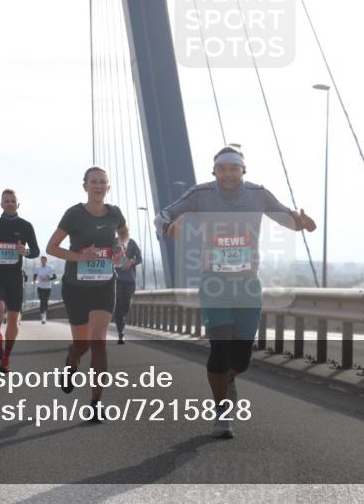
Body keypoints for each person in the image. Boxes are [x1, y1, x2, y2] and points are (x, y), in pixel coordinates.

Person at [156, 147, 316, 438]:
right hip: (214, 282)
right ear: (214, 171)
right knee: (219, 350)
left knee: (241, 358)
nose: (228, 173)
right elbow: (164, 214)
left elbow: (287, 219)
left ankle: (228, 378)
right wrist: (168, 226)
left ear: (244, 170)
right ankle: (222, 413)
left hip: (247, 283)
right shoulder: (200, 194)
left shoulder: (258, 194)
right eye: (222, 168)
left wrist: (301, 223)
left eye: (234, 168)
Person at [47, 167, 127, 422]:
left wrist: (121, 246)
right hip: (76, 287)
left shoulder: (114, 213)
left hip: (104, 285)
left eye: (103, 182)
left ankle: (95, 403)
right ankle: (72, 359)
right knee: (82, 344)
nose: (98, 185)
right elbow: (52, 247)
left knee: (99, 341)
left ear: (108, 186)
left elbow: (123, 232)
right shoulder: (74, 214)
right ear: (85, 186)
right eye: (94, 182)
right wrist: (79, 256)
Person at [0, 189, 39, 373]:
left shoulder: (26, 226)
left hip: (15, 277)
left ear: (18, 204)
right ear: (1, 204)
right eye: (6, 201)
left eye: (13, 201)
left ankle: (6, 357)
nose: (10, 203)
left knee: (14, 319)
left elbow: (36, 251)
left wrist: (26, 252)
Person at [112, 225, 142, 344]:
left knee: (126, 307)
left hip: (129, 280)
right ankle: (121, 332)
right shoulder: (112, 243)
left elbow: (139, 259)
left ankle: (120, 320)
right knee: (119, 308)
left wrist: (132, 261)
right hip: (116, 280)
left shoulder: (132, 243)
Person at [34, 256, 58, 324]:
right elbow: (35, 275)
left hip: (47, 287)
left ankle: (45, 314)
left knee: (45, 301)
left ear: (46, 261)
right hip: (40, 287)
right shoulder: (38, 268)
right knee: (42, 301)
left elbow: (55, 277)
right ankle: (43, 319)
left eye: (44, 260)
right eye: (42, 260)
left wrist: (49, 279)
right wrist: (35, 280)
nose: (43, 262)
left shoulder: (50, 268)